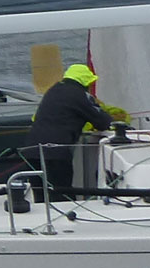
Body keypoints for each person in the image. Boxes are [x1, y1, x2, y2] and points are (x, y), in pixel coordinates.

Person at [24, 64, 117, 201]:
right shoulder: (79, 94)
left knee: (40, 196)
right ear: (85, 82)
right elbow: (102, 121)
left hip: (31, 150)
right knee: (62, 193)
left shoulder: (54, 90)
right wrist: (119, 125)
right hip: (55, 153)